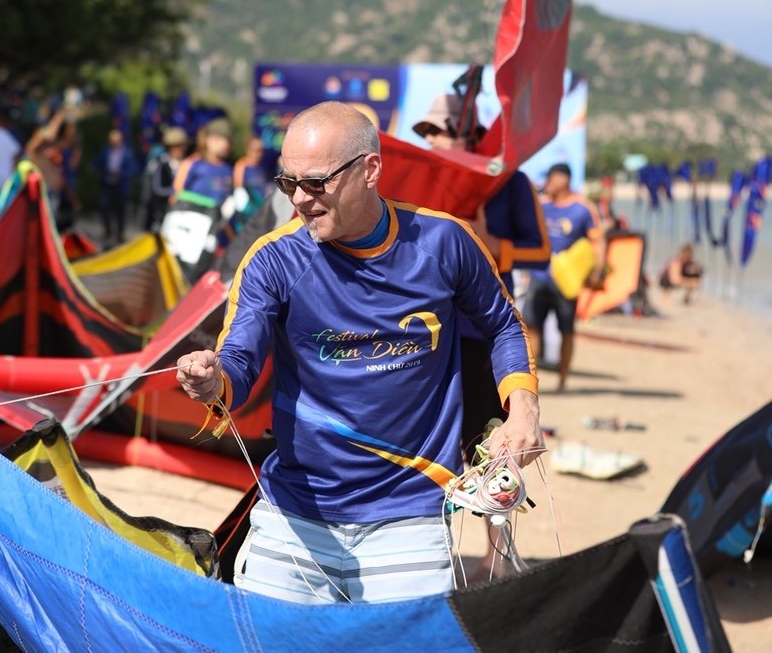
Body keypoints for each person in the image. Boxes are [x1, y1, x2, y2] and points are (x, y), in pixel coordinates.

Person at [176, 102, 539, 604]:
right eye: (289, 183)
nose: (300, 200)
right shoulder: (272, 259)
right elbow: (237, 361)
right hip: (297, 516)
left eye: (317, 183)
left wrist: (522, 413)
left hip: (410, 515)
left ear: (370, 170)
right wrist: (211, 382)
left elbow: (503, 326)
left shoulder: (445, 241)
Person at [413, 90, 550, 581]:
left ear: (469, 132)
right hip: (426, 337)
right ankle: (437, 554)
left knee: (496, 445)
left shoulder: (510, 184)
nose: (432, 139)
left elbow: (541, 253)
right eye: (425, 132)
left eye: (440, 129)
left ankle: (497, 556)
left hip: (486, 334)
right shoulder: (421, 177)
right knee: (434, 447)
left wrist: (495, 245)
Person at [523, 163, 606, 393]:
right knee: (532, 328)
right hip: (539, 277)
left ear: (562, 180)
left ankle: (563, 381)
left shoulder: (583, 208)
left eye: (550, 179)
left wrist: (597, 272)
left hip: (567, 281)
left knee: (566, 331)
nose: (547, 184)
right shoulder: (542, 206)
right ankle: (533, 381)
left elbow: (598, 241)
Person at [91, 127, 139, 245]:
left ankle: (119, 234)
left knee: (120, 211)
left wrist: (121, 174)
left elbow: (133, 169)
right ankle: (108, 233)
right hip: (108, 185)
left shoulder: (128, 153)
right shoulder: (106, 151)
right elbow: (98, 161)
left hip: (120, 186)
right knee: (105, 209)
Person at [143, 126, 189, 231]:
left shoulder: (187, 164)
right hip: (162, 211)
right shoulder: (162, 164)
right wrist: (175, 193)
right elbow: (157, 188)